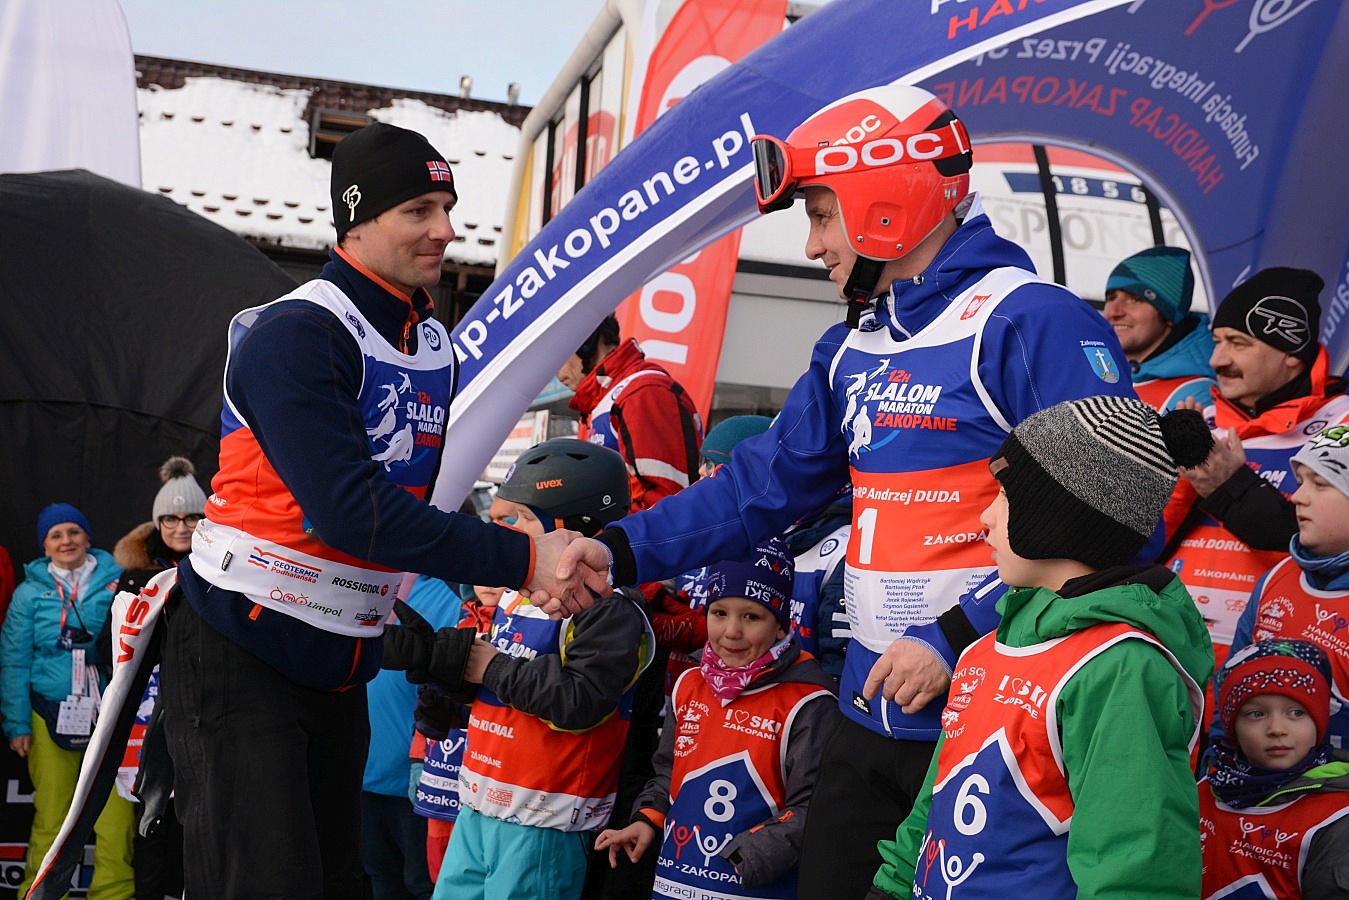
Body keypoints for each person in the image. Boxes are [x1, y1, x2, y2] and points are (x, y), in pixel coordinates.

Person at [552, 82, 1141, 897]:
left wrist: (955, 637)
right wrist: (615, 550)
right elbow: (756, 488)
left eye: (821, 215)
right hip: (867, 713)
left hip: (991, 718)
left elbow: (1117, 518)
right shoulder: (851, 345)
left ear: (885, 203)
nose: (811, 246)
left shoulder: (1029, 320)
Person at [155, 122, 607, 900]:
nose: (445, 229)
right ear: (356, 220)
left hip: (341, 654)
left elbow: (405, 509)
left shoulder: (430, 343)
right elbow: (351, 512)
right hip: (243, 639)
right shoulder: (297, 333)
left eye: (447, 207)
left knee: (341, 883)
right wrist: (523, 559)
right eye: (418, 210)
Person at [869, 396, 1215, 898]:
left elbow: (1137, 862)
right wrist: (894, 884)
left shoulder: (1120, 666)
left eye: (1005, 496)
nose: (985, 518)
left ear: (1059, 516)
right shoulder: (989, 648)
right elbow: (938, 798)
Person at [433, 438, 655, 900]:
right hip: (479, 804)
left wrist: (490, 668)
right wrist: (448, 682)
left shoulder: (609, 607)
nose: (513, 532)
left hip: (544, 821)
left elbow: (580, 701)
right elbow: (498, 688)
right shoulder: (519, 595)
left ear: (573, 528)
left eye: (524, 519)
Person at [595, 538, 838, 899]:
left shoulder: (809, 700)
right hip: (675, 881)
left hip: (751, 887)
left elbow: (814, 806)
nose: (731, 632)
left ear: (780, 625)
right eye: (719, 613)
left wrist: (753, 854)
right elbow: (668, 772)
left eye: (751, 617)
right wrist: (647, 818)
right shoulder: (690, 682)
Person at [1163, 267, 1349, 669]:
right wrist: (1172, 479)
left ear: (1292, 352)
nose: (1217, 360)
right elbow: (1135, 545)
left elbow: (1325, 542)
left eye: (1238, 343)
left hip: (1278, 665)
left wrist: (1228, 487)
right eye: (1217, 341)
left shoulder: (1341, 423)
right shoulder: (1201, 421)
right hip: (1170, 651)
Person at [1, 503, 135, 899]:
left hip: (110, 714)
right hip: (47, 712)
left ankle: (112, 894)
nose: (66, 541)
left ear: (88, 537)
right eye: (55, 535)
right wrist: (17, 724)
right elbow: (14, 660)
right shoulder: (29, 593)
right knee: (52, 815)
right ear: (44, 546)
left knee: (116, 817)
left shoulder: (118, 581)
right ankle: (40, 894)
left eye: (74, 532)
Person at [105, 456, 206, 900]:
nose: (181, 527)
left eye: (191, 517)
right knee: (151, 821)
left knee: (198, 824)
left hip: (204, 714)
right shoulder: (134, 578)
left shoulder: (224, 572)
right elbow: (108, 653)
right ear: (158, 522)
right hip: (147, 719)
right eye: (171, 519)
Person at [1215, 425, 1349, 750]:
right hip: (1254, 778)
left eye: (1320, 483)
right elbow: (1229, 694)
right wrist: (1218, 760)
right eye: (1300, 482)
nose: (1298, 497)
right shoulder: (1276, 578)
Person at [1200, 639, 1349, 899]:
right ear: (1232, 726)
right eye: (1256, 714)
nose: (1277, 729)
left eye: (1296, 713)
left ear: (1319, 721)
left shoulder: (1336, 818)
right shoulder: (1203, 790)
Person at [558, 312, 703, 513]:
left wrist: (609, 532)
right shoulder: (601, 402)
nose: (558, 375)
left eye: (560, 355)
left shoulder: (642, 393)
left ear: (587, 342)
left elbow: (668, 502)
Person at [1102, 245, 1216, 412]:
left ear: (1168, 315)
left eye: (1135, 299)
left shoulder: (1196, 394)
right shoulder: (1106, 380)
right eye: (1111, 298)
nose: (1113, 312)